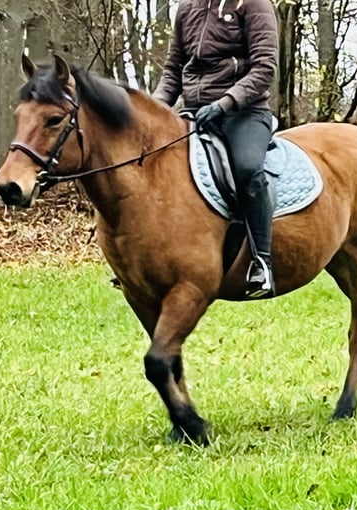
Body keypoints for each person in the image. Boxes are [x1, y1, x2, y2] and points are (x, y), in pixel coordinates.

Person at [153, 0, 279, 298]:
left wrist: (225, 103)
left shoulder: (255, 5)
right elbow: (173, 70)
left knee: (248, 168)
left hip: (244, 112)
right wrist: (153, 111)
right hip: (194, 112)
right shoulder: (187, 8)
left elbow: (264, 68)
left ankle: (262, 262)